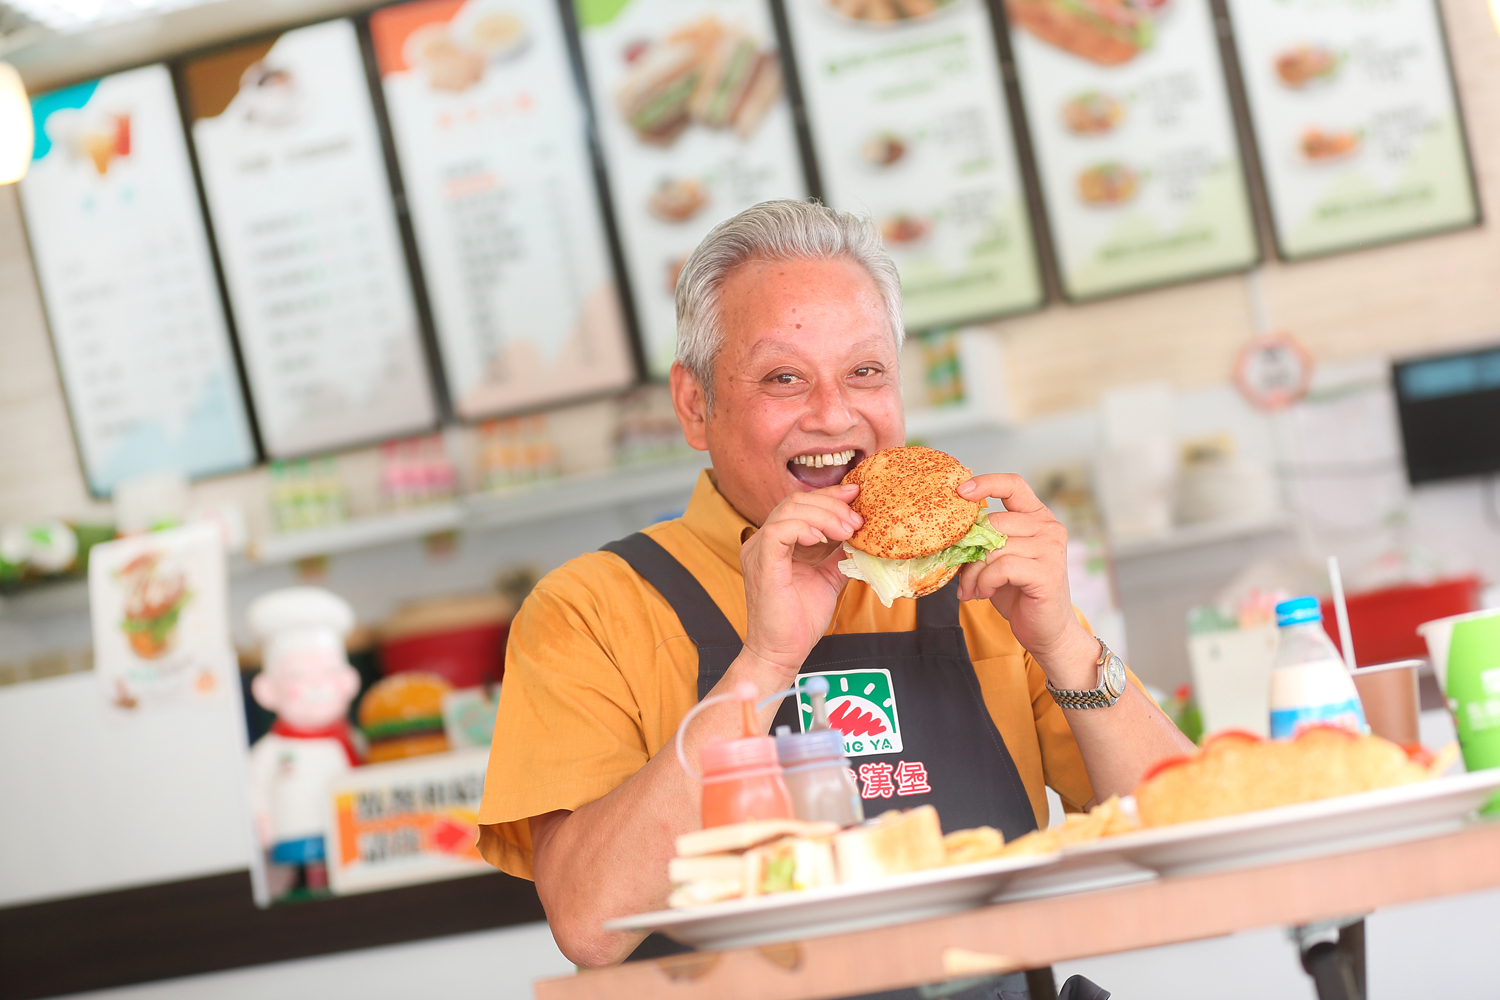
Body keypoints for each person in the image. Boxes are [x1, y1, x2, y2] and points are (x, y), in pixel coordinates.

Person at [476, 201, 1193, 987]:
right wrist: (764, 665)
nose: (833, 414)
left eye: (866, 372)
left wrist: (1064, 645)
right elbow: (589, 923)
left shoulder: (978, 584)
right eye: (783, 377)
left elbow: (1184, 833)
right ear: (695, 405)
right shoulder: (589, 610)